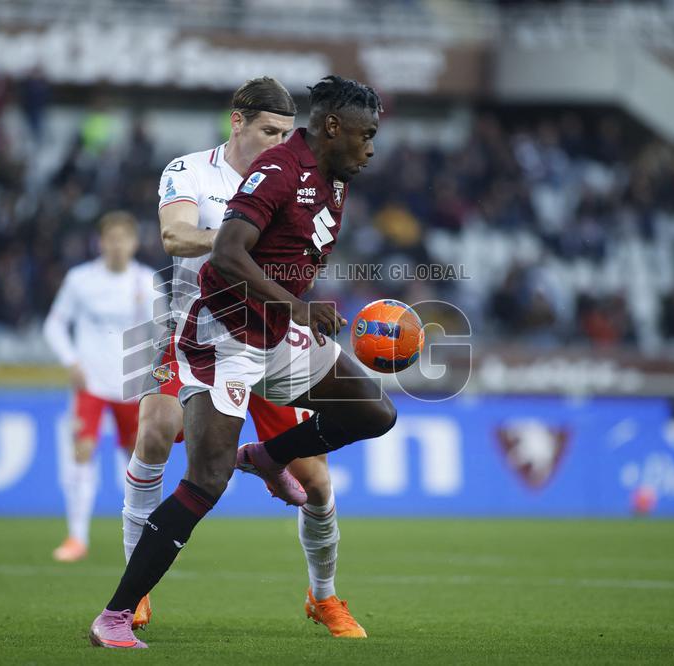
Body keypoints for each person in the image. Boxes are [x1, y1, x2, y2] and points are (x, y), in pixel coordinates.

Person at [89, 75, 395, 650]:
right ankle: (119, 611)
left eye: (284, 130)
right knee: (196, 468)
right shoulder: (260, 172)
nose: (371, 148)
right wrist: (298, 308)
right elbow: (216, 250)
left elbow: (285, 255)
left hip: (273, 332)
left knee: (370, 418)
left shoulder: (331, 176)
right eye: (366, 135)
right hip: (217, 333)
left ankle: (272, 471)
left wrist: (292, 311)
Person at [44, 211, 162, 562]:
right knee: (82, 450)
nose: (117, 245)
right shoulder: (80, 280)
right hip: (91, 381)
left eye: (123, 238)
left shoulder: (147, 281)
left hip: (131, 384)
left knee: (138, 461)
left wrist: (155, 375)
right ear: (100, 242)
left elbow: (162, 335)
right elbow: (53, 324)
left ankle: (144, 534)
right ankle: (77, 537)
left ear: (134, 243)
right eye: (110, 238)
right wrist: (71, 361)